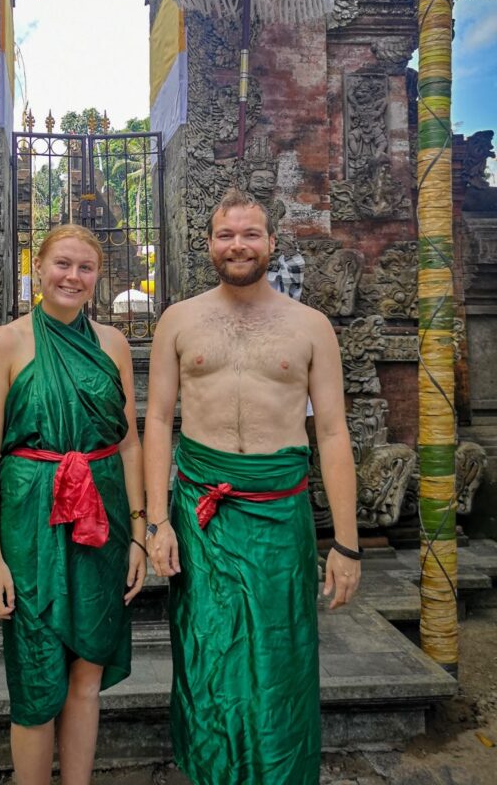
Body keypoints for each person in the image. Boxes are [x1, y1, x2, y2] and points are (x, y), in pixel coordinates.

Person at [144, 187, 360, 785]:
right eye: (225, 235)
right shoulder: (179, 321)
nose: (237, 245)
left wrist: (345, 543)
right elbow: (159, 420)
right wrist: (155, 521)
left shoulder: (310, 327)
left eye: (250, 234)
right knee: (208, 657)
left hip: (279, 513)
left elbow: (335, 434)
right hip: (200, 513)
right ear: (208, 244)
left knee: (281, 659)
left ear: (271, 242)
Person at [0, 224, 146, 785]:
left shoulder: (114, 344)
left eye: (85, 268)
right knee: (36, 674)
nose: (72, 277)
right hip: (31, 522)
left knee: (86, 674)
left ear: (98, 278)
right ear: (39, 268)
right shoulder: (5, 343)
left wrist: (140, 531)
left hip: (103, 517)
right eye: (62, 265)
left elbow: (130, 442)